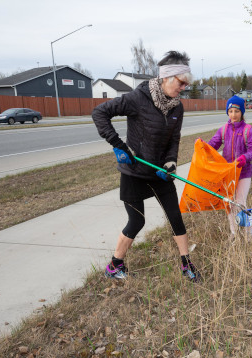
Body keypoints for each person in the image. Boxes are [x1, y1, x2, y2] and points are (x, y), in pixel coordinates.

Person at [92, 51, 201, 282]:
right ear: (166, 78)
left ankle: (186, 265)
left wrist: (171, 162)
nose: (183, 88)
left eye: (186, 84)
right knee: (137, 221)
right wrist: (118, 146)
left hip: (160, 173)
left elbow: (174, 139)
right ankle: (114, 266)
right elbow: (100, 113)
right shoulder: (137, 98)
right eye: (181, 83)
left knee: (175, 216)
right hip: (134, 172)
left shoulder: (177, 108)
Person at [207, 96, 252, 239]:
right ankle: (234, 233)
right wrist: (202, 145)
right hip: (228, 173)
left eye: (236, 111)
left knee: (240, 203)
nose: (233, 114)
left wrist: (244, 158)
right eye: (230, 111)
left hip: (244, 173)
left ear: (242, 112)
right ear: (227, 112)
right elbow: (213, 145)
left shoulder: (248, 130)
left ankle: (248, 234)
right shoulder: (223, 130)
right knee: (229, 204)